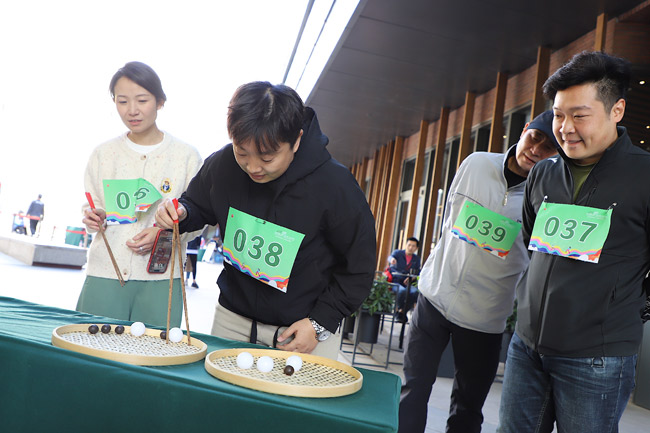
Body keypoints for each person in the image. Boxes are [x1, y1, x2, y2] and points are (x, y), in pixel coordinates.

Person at [155, 81, 376, 359]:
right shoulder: (223, 164)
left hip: (302, 330)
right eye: (242, 153)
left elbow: (359, 266)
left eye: (267, 157)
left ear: (296, 140)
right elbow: (197, 204)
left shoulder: (335, 185)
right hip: (231, 322)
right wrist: (181, 213)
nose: (253, 167)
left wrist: (320, 322)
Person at [497, 51, 649, 433]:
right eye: (559, 114)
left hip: (597, 359)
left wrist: (628, 306)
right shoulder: (543, 174)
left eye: (579, 115)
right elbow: (534, 240)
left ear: (617, 110)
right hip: (527, 346)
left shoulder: (644, 176)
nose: (565, 127)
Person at [399, 110, 559, 433]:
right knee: (412, 392)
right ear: (525, 129)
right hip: (434, 299)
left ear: (556, 156)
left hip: (485, 320)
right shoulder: (475, 163)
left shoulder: (547, 198)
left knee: (467, 411)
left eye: (548, 148)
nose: (536, 150)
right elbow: (448, 222)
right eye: (535, 137)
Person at [77, 61, 203, 328]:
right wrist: (93, 217)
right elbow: (92, 207)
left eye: (142, 100)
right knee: (91, 354)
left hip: (162, 279)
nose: (132, 110)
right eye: (122, 101)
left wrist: (165, 233)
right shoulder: (103, 154)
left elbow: (199, 220)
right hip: (104, 274)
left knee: (152, 359)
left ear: (160, 101)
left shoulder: (186, 157)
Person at [387, 236, 421, 320]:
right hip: (396, 281)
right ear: (405, 245)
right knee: (402, 291)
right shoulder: (398, 253)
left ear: (416, 248)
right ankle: (399, 311)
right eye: (409, 245)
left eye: (413, 246)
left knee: (415, 292)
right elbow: (390, 257)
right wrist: (392, 260)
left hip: (407, 283)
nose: (410, 248)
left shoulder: (416, 259)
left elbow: (417, 272)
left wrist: (411, 279)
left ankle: (403, 312)